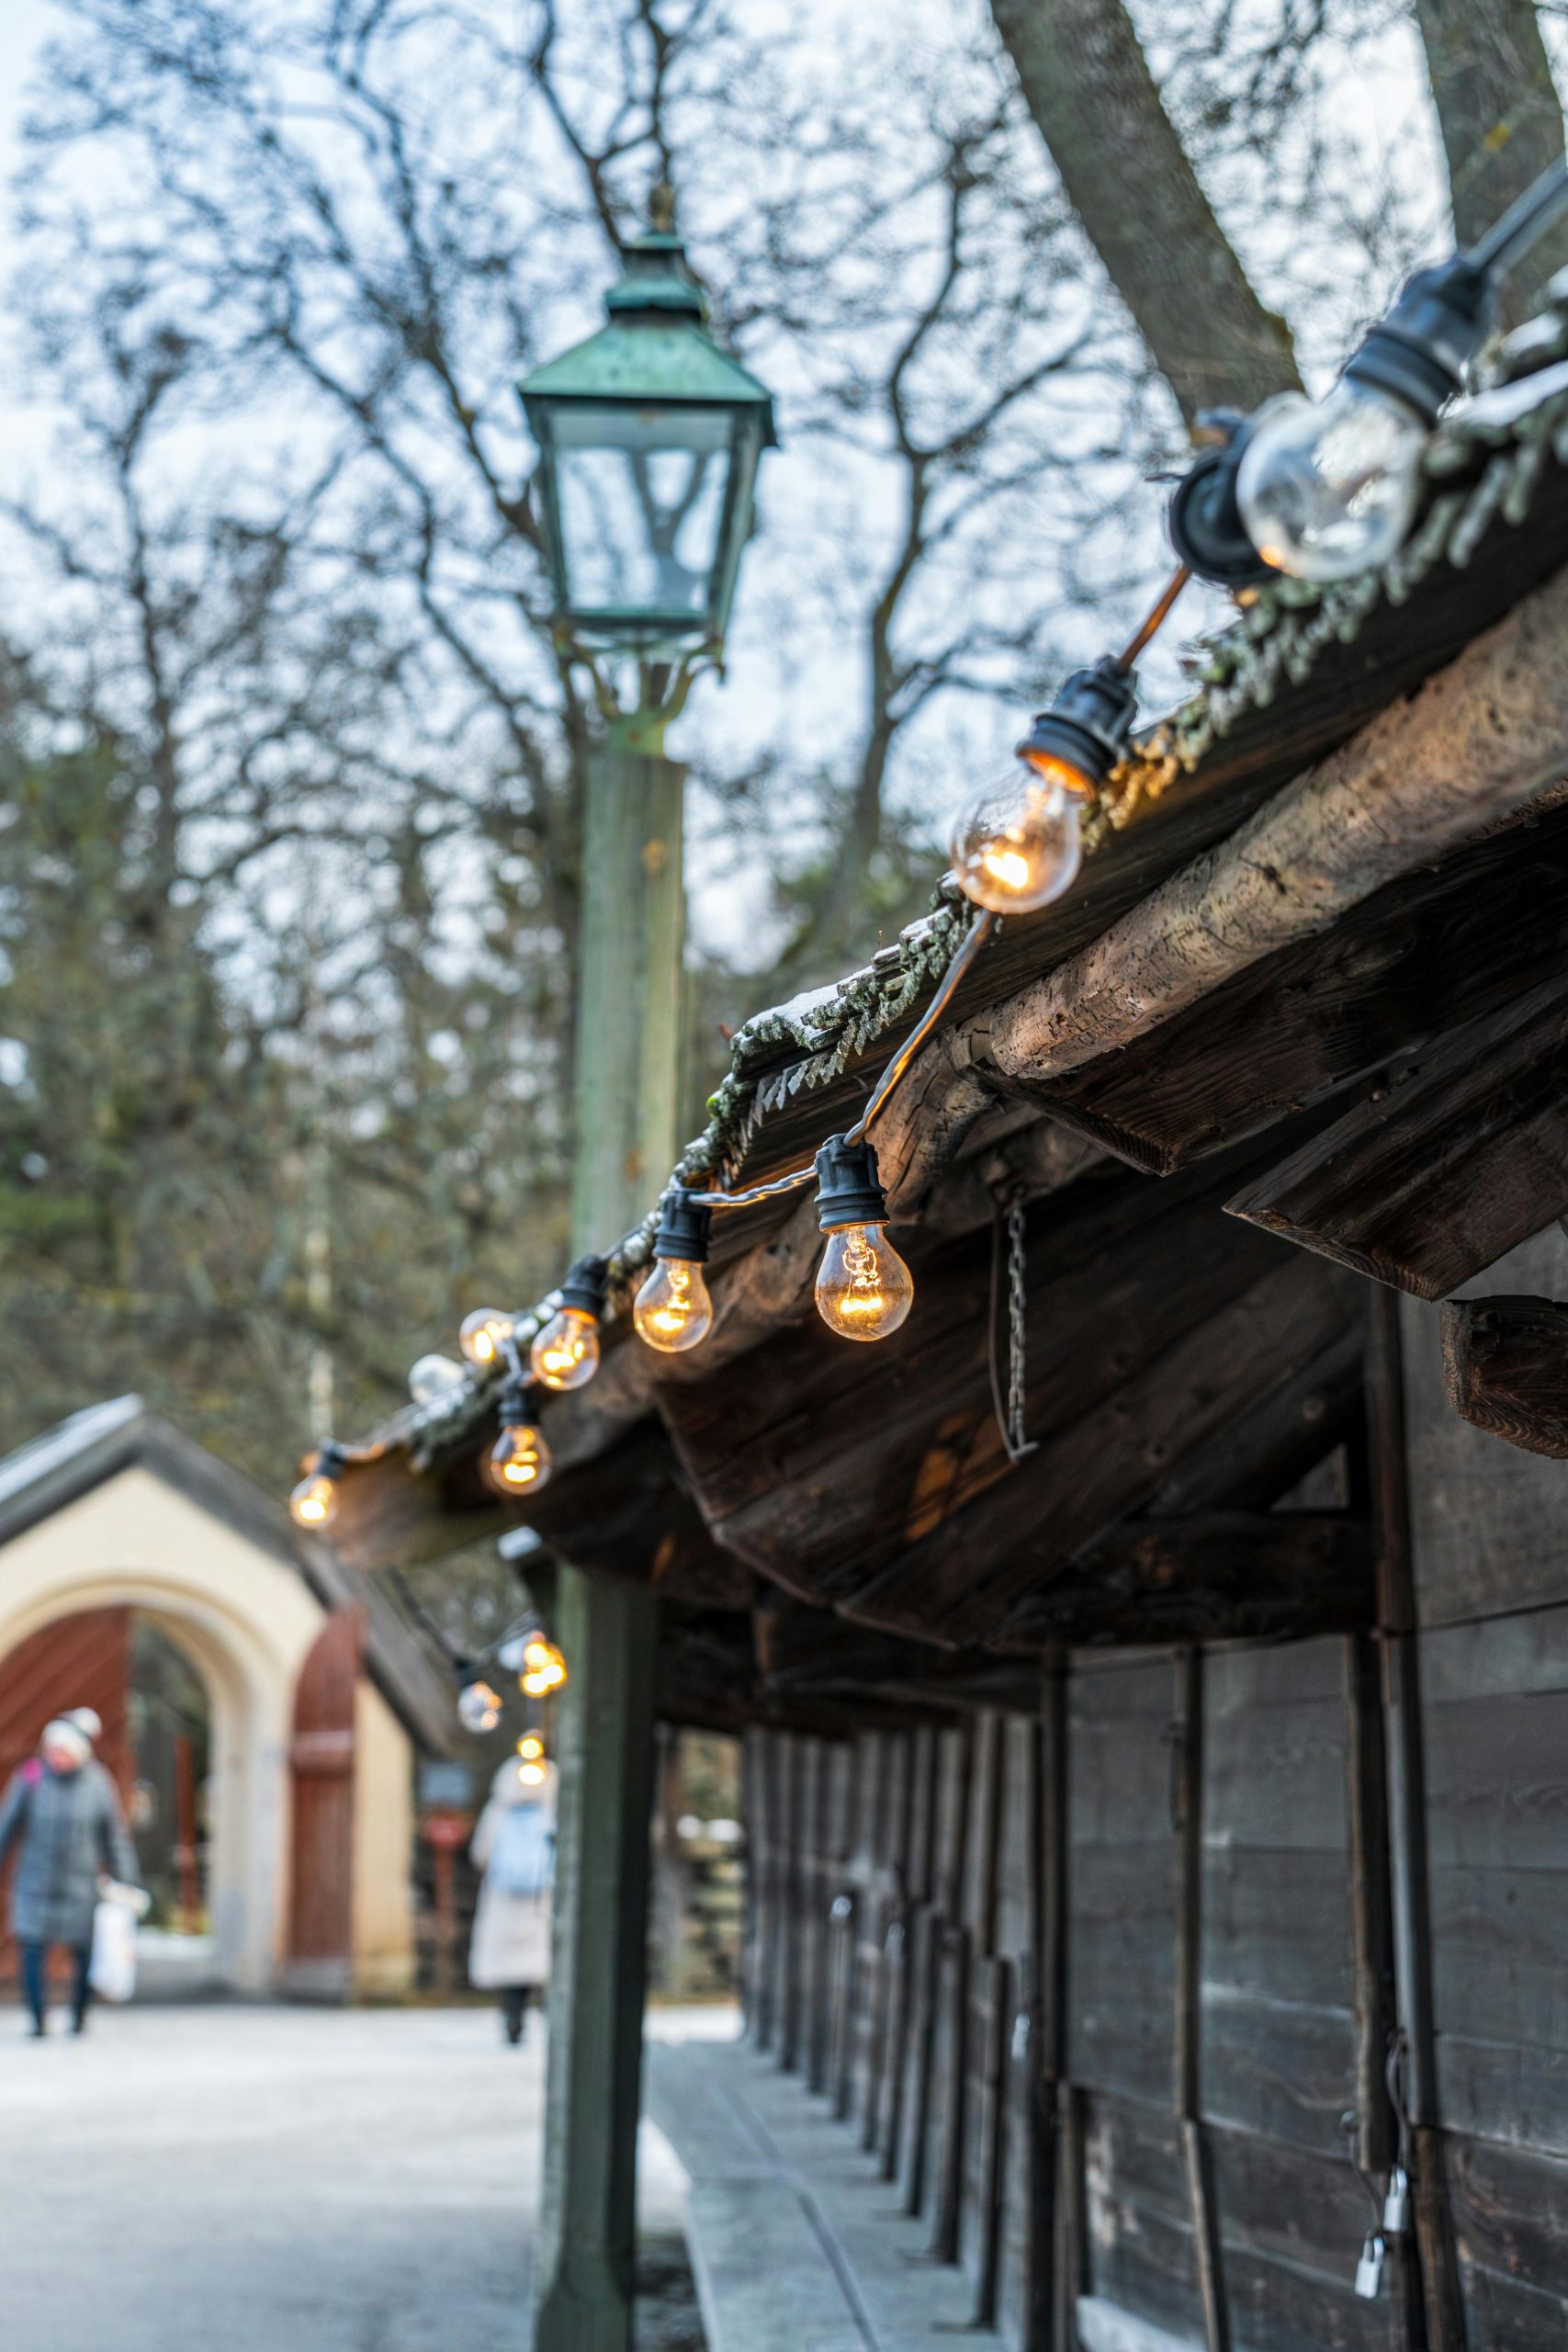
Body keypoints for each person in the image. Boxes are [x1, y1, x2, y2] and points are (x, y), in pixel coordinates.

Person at [0, 1713, 139, 2037]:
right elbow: (7, 1827)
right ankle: (38, 2019)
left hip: (80, 1885)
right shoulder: (31, 1778)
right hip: (35, 1883)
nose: (57, 1758)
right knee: (32, 1950)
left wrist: (126, 1878)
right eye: (53, 1751)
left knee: (83, 1953)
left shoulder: (97, 1783)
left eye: (64, 1752)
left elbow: (113, 1835)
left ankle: (79, 2014)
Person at [468, 1754, 555, 2044]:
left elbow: (481, 1852)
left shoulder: (498, 1811)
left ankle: (513, 2016)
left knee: (511, 1969)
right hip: (542, 1900)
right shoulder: (552, 1810)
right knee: (542, 1962)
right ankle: (540, 2015)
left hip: (504, 1900)